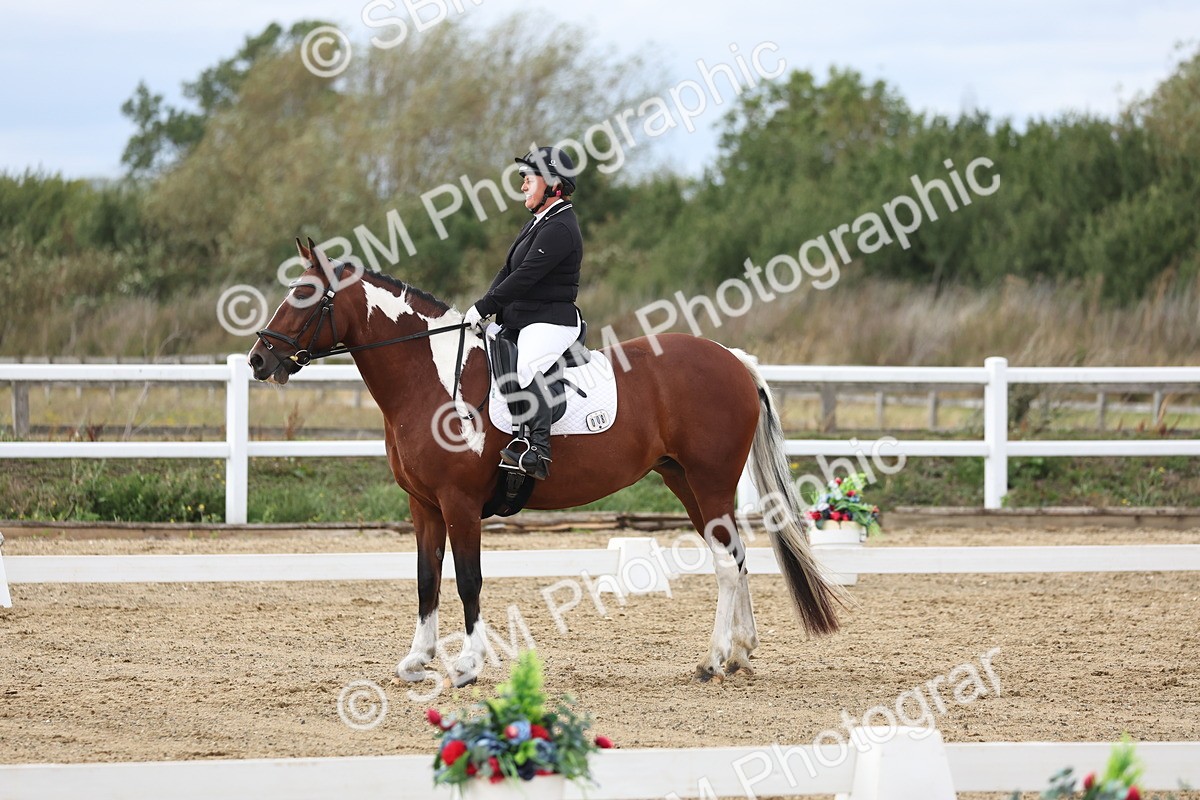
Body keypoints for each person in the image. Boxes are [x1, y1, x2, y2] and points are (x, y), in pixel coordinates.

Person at [463, 146, 583, 480]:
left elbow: (525, 276)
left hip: (551, 321)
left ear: (552, 184)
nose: (523, 186)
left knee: (528, 365)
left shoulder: (560, 227)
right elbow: (507, 271)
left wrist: (485, 307)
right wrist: (482, 309)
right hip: (526, 318)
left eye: (529, 179)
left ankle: (538, 450)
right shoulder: (538, 223)